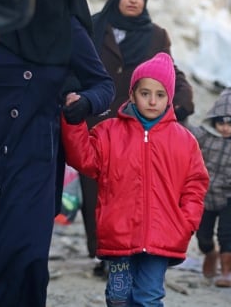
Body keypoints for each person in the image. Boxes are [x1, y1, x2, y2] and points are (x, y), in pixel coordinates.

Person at [0, 0, 115, 305]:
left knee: (23, 250)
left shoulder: (69, 30)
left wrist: (85, 102)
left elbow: (103, 84)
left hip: (33, 153)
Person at [61, 52, 209, 306]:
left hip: (163, 236)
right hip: (119, 234)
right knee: (118, 298)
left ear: (169, 99)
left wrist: (186, 222)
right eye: (145, 93)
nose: (152, 101)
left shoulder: (184, 141)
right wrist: (74, 123)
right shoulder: (109, 132)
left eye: (160, 95)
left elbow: (195, 184)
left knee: (148, 296)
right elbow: (84, 159)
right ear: (132, 94)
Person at [82, 0, 196, 277]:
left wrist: (180, 103)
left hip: (135, 123)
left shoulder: (155, 35)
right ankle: (103, 252)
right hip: (95, 122)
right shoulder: (93, 26)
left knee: (128, 190)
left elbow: (170, 72)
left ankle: (131, 249)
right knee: (95, 192)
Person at [187, 87, 231, 287]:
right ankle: (210, 253)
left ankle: (228, 271)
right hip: (205, 194)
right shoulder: (205, 136)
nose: (225, 128)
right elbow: (185, 133)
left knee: (226, 233)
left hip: (230, 196)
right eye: (221, 122)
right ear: (214, 121)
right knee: (202, 235)